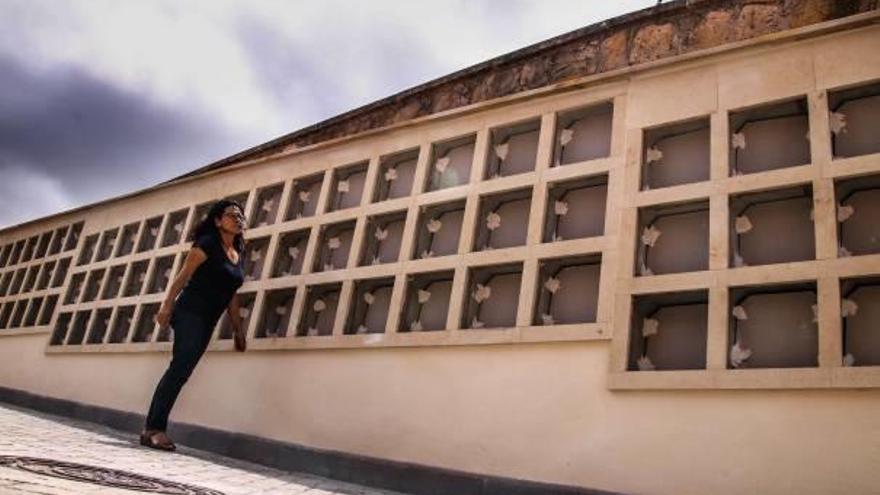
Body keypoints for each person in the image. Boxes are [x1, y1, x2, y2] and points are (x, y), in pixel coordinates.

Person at [140, 200, 248, 451]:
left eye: (241, 215)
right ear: (218, 221)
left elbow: (231, 293)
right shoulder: (207, 244)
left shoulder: (238, 254)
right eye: (232, 215)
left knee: (182, 371)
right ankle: (153, 429)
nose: (239, 218)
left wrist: (237, 330)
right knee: (179, 368)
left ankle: (153, 427)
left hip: (208, 320)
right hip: (190, 312)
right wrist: (166, 307)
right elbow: (182, 277)